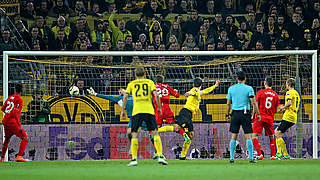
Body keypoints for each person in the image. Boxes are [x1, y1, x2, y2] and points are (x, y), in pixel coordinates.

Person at [120, 67, 167, 166]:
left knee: (134, 134)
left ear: (135, 75)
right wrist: (159, 107)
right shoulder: (150, 82)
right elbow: (156, 95)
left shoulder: (132, 84)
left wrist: (122, 110)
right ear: (145, 74)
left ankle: (134, 159)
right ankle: (160, 156)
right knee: (155, 133)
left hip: (137, 112)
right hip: (149, 111)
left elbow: (125, 96)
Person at [178, 78, 220, 160]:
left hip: (189, 115)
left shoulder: (198, 92)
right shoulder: (195, 90)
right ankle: (159, 130)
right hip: (185, 112)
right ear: (201, 85)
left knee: (191, 135)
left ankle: (182, 156)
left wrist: (215, 85)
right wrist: (188, 93)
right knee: (176, 128)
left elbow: (206, 91)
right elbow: (192, 92)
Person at [226, 71, 260, 163]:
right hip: (245, 113)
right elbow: (253, 102)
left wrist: (227, 114)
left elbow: (228, 103)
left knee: (234, 136)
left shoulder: (231, 89)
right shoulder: (249, 88)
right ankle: (251, 158)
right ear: (245, 78)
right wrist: (258, 113)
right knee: (248, 136)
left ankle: (232, 158)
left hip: (235, 114)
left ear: (236, 78)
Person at [0, 83, 29, 162]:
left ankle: (2, 158)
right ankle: (19, 156)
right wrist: (19, 125)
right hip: (13, 122)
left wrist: (8, 114)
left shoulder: (10, 98)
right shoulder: (19, 99)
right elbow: (15, 113)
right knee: (25, 138)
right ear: (22, 90)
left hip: (5, 121)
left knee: (7, 140)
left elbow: (3, 109)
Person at [252, 77, 279, 160]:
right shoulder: (276, 95)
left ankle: (260, 154)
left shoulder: (260, 92)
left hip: (260, 117)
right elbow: (276, 110)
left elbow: (255, 104)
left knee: (254, 136)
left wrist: (253, 115)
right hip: (269, 118)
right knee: (271, 137)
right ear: (272, 84)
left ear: (264, 83)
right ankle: (274, 155)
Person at [275, 78, 300, 159]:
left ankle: (281, 154)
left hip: (288, 116)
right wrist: (285, 109)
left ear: (288, 84)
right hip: (294, 116)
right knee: (278, 132)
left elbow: (289, 103)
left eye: (286, 84)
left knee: (277, 133)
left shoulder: (289, 92)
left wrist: (283, 107)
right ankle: (283, 154)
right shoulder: (296, 93)